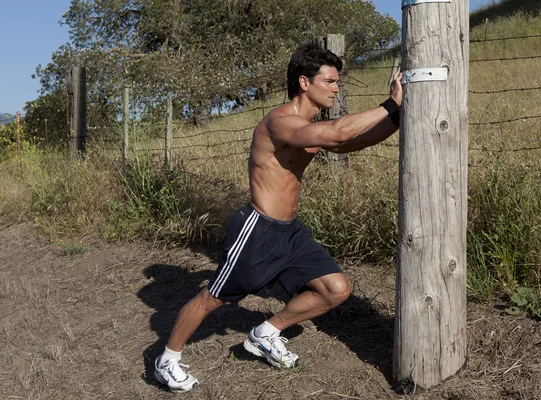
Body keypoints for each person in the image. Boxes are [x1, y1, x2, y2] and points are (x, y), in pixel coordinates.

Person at [153, 42, 403, 393]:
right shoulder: (280, 121)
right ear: (305, 82)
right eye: (330, 81)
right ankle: (166, 359)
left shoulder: (307, 126)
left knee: (335, 289)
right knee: (214, 298)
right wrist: (389, 102)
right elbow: (339, 133)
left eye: (337, 82)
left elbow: (352, 142)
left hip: (290, 233)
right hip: (257, 231)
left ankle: (264, 334)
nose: (336, 88)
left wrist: (397, 116)